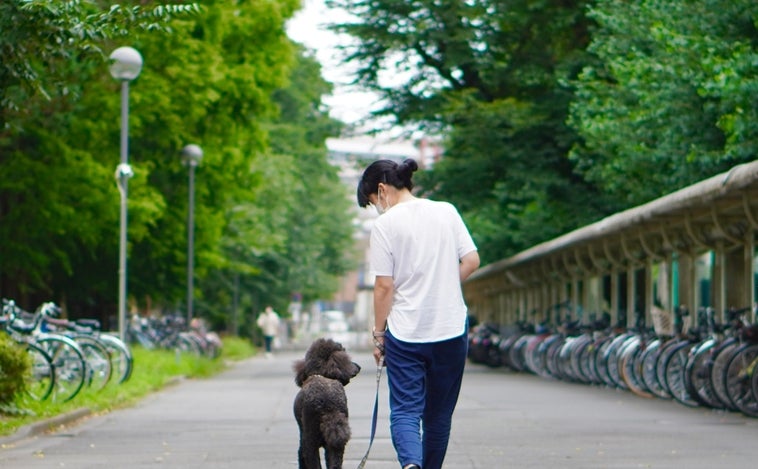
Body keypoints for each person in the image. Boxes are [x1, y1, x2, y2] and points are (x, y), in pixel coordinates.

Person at [356, 158, 480, 469]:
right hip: (451, 328)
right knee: (438, 415)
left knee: (405, 409)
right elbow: (472, 260)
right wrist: (444, 284)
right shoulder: (446, 211)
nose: (377, 208)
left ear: (382, 190)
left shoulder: (386, 224)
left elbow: (384, 287)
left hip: (406, 332)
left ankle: (411, 463)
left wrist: (378, 334)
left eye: (373, 201)